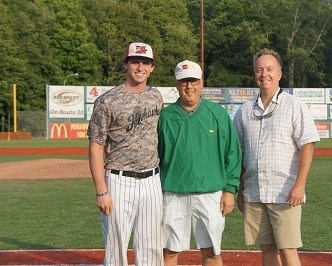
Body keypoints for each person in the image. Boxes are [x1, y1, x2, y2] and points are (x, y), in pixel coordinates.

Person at [233, 48, 320, 266]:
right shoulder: (244, 111)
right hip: (255, 192)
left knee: (288, 249)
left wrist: (300, 185)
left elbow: (307, 145)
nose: (265, 74)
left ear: (279, 73)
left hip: (285, 192)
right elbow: (239, 154)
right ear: (255, 75)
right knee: (267, 249)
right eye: (260, 70)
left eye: (270, 69)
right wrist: (241, 189)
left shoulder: (294, 106)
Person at [157, 60, 242, 266]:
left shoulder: (217, 113)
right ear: (176, 84)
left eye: (193, 80)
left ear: (201, 82)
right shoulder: (165, 116)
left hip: (210, 195)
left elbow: (232, 152)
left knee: (211, 252)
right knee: (168, 252)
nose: (189, 86)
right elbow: (156, 157)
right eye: (184, 81)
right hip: (173, 194)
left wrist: (230, 190)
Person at [87, 42, 163, 266]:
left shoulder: (156, 97)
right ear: (126, 65)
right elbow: (95, 145)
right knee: (115, 249)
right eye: (135, 62)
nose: (140, 67)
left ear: (152, 68)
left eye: (145, 63)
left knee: (151, 247)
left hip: (152, 180)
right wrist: (102, 191)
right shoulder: (107, 100)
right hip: (119, 181)